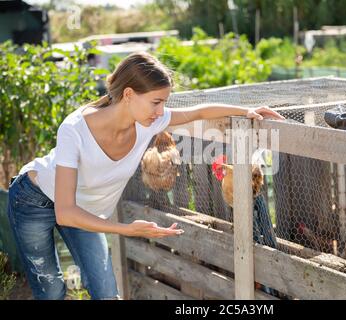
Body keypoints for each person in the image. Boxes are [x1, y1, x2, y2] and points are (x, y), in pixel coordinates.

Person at [7, 51, 285, 300]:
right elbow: (65, 213)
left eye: (164, 102)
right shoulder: (75, 129)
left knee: (106, 292)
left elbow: (198, 112)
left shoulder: (148, 122)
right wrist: (127, 230)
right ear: (128, 95)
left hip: (84, 210)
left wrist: (247, 111)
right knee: (52, 290)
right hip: (35, 201)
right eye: (156, 102)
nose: (161, 112)